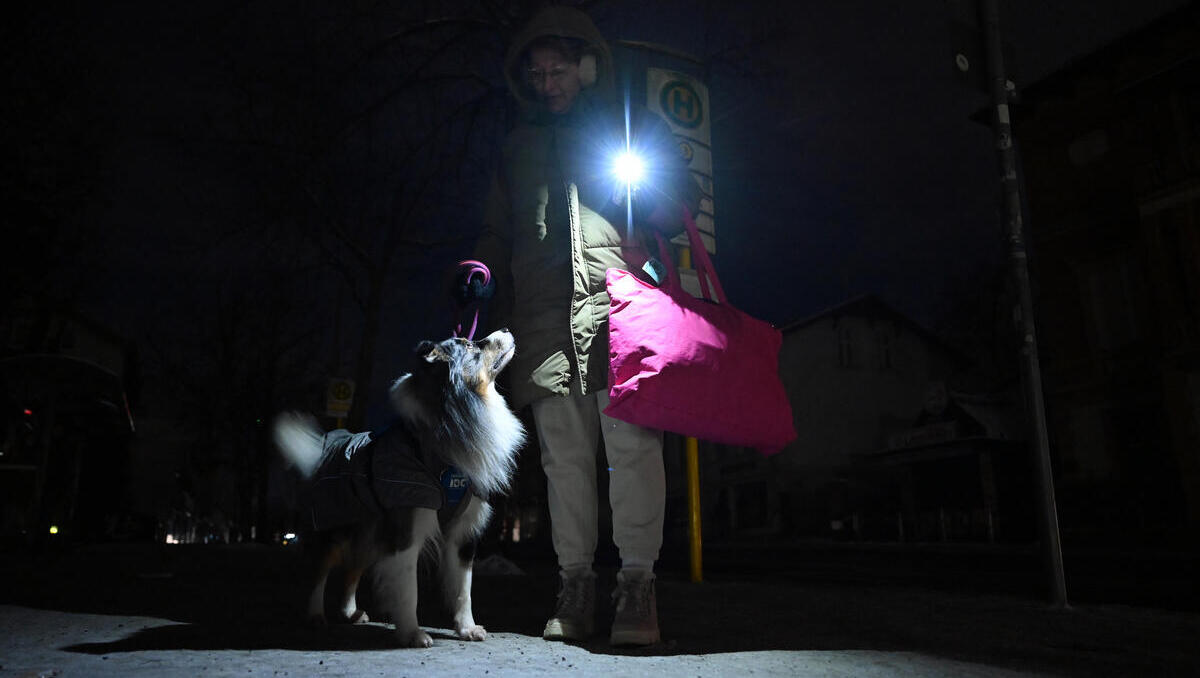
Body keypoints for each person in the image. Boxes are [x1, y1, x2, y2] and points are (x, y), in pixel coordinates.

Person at [456, 5, 701, 647]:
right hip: (542, 318)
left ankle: (638, 586)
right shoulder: (515, 147)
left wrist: (652, 200)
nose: (546, 82)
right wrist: (479, 265)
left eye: (558, 68)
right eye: (534, 73)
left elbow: (681, 202)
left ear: (587, 66)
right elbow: (495, 226)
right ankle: (575, 586)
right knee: (565, 462)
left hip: (621, 309)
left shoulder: (629, 126)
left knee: (633, 451)